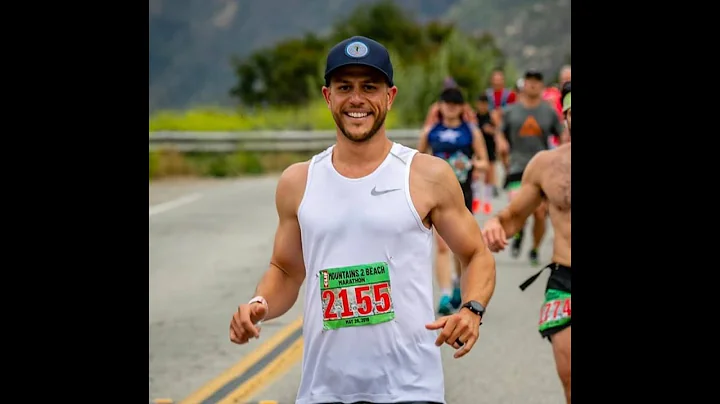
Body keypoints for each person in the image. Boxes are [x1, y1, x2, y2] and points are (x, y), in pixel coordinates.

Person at [229, 36, 497, 404]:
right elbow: (286, 270)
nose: (357, 99)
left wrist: (471, 309)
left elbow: (476, 254)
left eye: (370, 87)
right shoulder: (298, 181)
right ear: (328, 96)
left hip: (411, 388)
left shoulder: (427, 175)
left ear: (390, 96)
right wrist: (259, 303)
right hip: (323, 390)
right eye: (345, 87)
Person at [481, 80, 571, 404]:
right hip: (565, 281)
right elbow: (514, 216)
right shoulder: (546, 165)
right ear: (565, 116)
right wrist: (494, 223)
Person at [417, 88, 490, 315]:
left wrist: (467, 164)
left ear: (461, 107)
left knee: (460, 245)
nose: (450, 107)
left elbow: (485, 162)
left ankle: (459, 283)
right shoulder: (431, 131)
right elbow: (417, 161)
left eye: (455, 104)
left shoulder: (471, 132)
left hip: (462, 195)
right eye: (446, 103)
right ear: (440, 106)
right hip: (434, 195)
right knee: (441, 245)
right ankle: (446, 294)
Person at [494, 69, 563, 265]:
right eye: (529, 81)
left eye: (537, 81)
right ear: (524, 84)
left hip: (542, 168)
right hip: (517, 166)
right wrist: (501, 142)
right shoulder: (511, 111)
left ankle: (534, 248)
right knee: (519, 206)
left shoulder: (548, 112)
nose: (533, 85)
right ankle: (518, 234)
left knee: (540, 212)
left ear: (541, 86)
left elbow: (561, 135)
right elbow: (500, 132)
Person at [475, 94, 499, 202]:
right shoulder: (474, 117)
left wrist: (490, 130)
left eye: (485, 104)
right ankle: (475, 197)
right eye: (481, 104)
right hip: (477, 148)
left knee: (489, 173)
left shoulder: (491, 116)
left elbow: (498, 131)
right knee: (476, 173)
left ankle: (487, 200)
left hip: (489, 146)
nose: (482, 107)